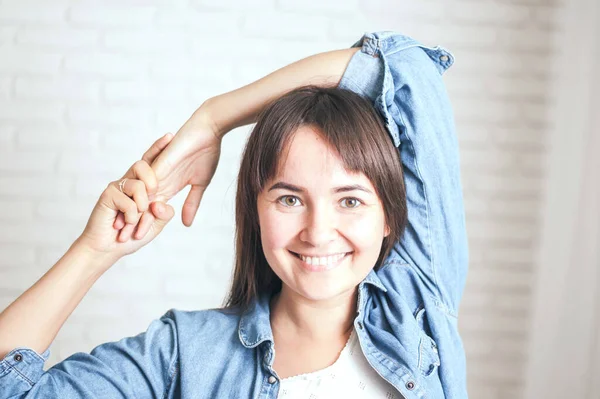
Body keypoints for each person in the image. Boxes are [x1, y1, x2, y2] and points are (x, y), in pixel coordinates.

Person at [0, 31, 468, 398]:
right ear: (256, 210)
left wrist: (215, 117)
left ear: (389, 217)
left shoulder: (417, 302)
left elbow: (406, 70)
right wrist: (94, 251)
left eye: (349, 200)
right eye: (289, 199)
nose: (319, 231)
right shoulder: (186, 353)